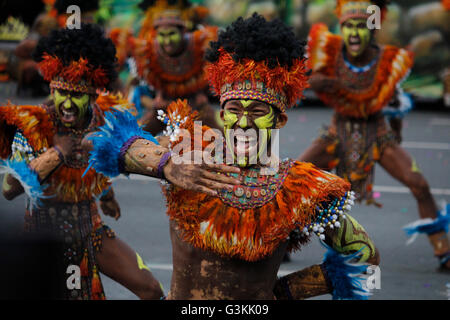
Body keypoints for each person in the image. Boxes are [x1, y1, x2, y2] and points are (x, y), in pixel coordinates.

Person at [87, 14, 380, 300]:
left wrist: (285, 291)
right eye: (234, 111)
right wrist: (167, 166)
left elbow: (364, 254)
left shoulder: (298, 189)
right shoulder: (188, 154)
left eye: (256, 112)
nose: (242, 123)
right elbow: (101, 142)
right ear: (223, 114)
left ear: (279, 120)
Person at [0, 24, 240, 300]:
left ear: (91, 96)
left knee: (150, 289)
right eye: (60, 93)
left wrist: (107, 193)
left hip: (90, 230)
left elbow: (120, 151)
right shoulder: (31, 124)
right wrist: (57, 153)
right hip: (45, 235)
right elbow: (9, 189)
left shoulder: (104, 118)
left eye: (75, 95)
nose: (66, 103)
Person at [297, 0, 450, 270]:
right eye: (348, 27)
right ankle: (283, 242)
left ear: (372, 30)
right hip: (336, 134)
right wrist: (315, 82)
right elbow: (302, 81)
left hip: (377, 134)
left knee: (420, 185)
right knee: (296, 183)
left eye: (360, 26)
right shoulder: (329, 54)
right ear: (341, 29)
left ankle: (443, 250)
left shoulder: (388, 60)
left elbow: (394, 100)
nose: (354, 33)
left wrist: (397, 131)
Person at [128, 0, 221, 134]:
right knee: (135, 136)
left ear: (183, 31)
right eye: (162, 35)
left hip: (198, 107)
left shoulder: (201, 44)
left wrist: (201, 97)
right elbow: (135, 87)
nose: (167, 41)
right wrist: (156, 102)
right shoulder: (147, 52)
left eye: (172, 34)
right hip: (164, 109)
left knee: (219, 136)